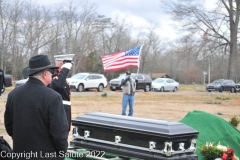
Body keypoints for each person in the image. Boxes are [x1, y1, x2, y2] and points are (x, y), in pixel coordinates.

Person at [4, 55, 68, 160]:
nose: (52, 75)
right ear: (44, 74)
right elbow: (59, 133)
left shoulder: (13, 94)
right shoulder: (53, 97)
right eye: (51, 72)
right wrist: (62, 153)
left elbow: (9, 126)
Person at [49, 54, 74, 132]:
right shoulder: (54, 76)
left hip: (64, 115)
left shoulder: (61, 77)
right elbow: (57, 85)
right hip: (59, 117)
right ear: (61, 64)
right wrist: (65, 70)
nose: (70, 68)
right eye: (69, 65)